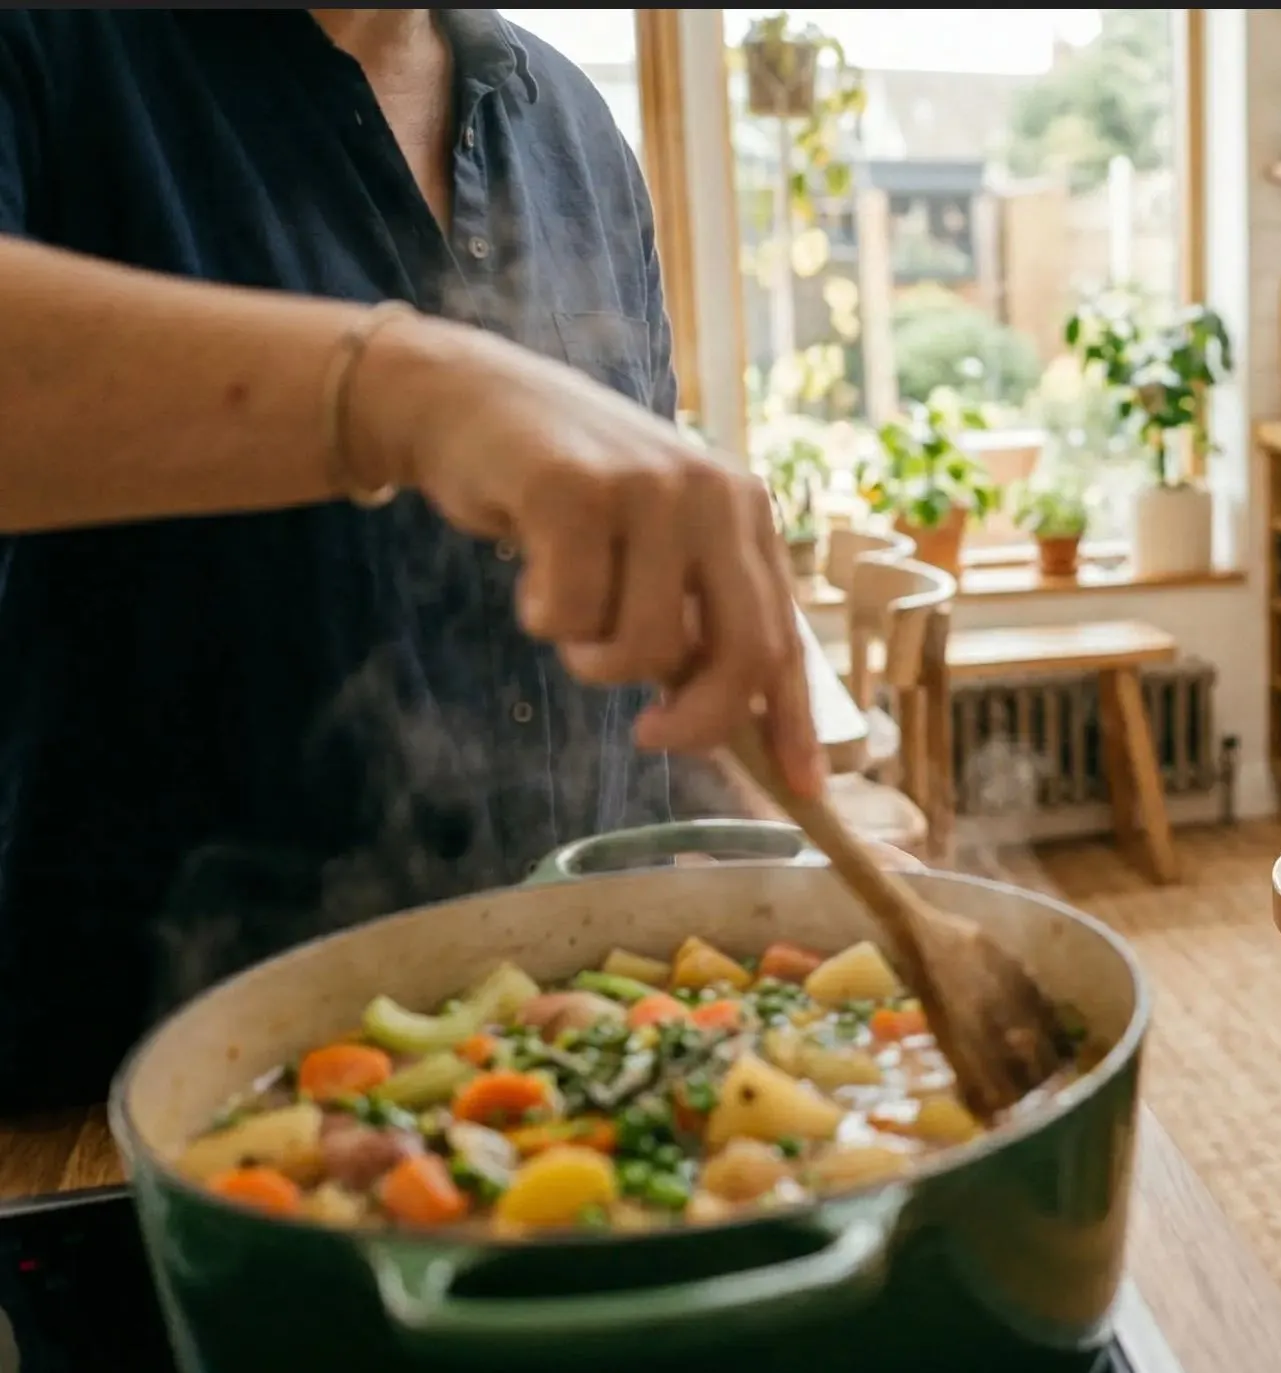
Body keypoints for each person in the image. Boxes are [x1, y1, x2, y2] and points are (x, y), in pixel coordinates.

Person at [0, 10, 828, 1110]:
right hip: (128, 1138)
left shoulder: (571, 126)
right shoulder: (48, 46)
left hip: (583, 1086)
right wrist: (406, 386)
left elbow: (627, 643)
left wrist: (797, 861)